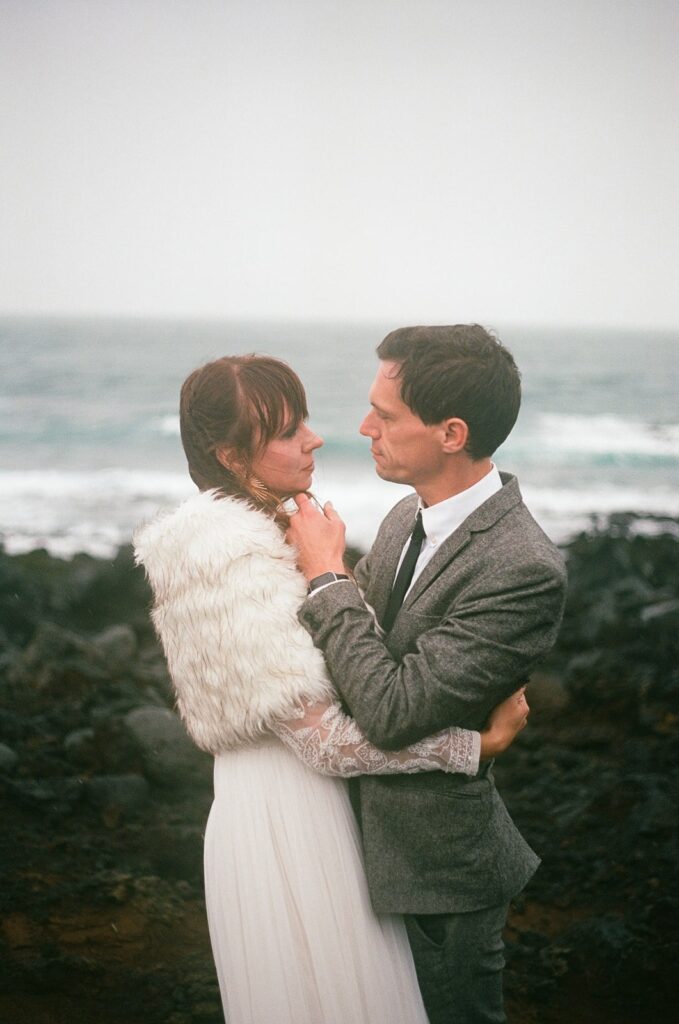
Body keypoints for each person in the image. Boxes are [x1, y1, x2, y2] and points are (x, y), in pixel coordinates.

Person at [133, 353, 529, 1024]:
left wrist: (327, 566)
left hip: (302, 810)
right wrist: (475, 746)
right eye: (288, 431)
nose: (314, 439)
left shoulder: (270, 534)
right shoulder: (227, 558)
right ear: (232, 455)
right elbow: (325, 745)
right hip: (287, 821)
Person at [287, 325, 568, 1024]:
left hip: (437, 880)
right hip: (356, 853)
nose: (363, 428)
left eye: (384, 416)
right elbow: (345, 661)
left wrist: (326, 576)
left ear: (450, 433)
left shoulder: (522, 569)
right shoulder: (404, 515)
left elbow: (388, 706)